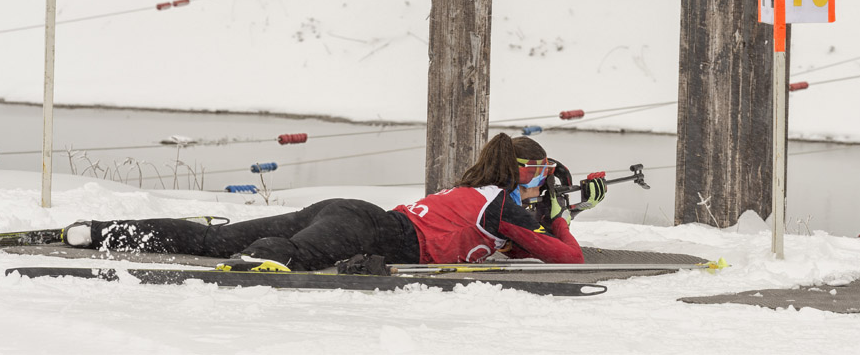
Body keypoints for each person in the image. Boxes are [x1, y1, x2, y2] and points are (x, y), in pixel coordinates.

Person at [62, 133, 607, 272]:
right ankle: (258, 258)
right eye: (537, 174)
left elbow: (513, 251)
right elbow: (565, 259)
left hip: (355, 212)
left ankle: (102, 230)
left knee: (210, 239)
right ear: (519, 173)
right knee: (290, 256)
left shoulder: (481, 195)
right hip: (373, 232)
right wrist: (563, 220)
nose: (541, 185)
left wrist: (562, 211)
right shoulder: (503, 205)